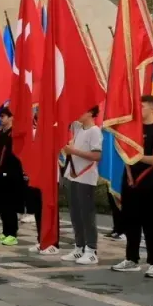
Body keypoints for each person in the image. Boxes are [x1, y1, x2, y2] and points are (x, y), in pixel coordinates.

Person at [113, 95, 153, 278]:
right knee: (130, 222)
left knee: (150, 224)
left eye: (142, 106)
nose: (139, 110)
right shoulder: (132, 129)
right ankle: (131, 259)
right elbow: (124, 153)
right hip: (129, 179)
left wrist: (137, 157)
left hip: (149, 183)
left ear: (152, 108)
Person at [62, 107, 103, 265]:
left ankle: (91, 250)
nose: (78, 112)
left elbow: (97, 155)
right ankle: (79, 247)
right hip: (72, 175)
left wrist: (74, 151)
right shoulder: (78, 127)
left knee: (87, 215)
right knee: (75, 214)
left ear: (91, 113)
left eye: (83, 109)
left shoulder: (94, 131)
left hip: (86, 177)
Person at [0, 106, 23, 247]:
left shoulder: (15, 134)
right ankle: (5, 231)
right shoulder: (0, 134)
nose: (1, 118)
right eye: (0, 116)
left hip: (12, 173)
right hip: (0, 172)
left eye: (3, 116)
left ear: (11, 117)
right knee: (2, 204)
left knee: (10, 205)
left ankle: (12, 234)